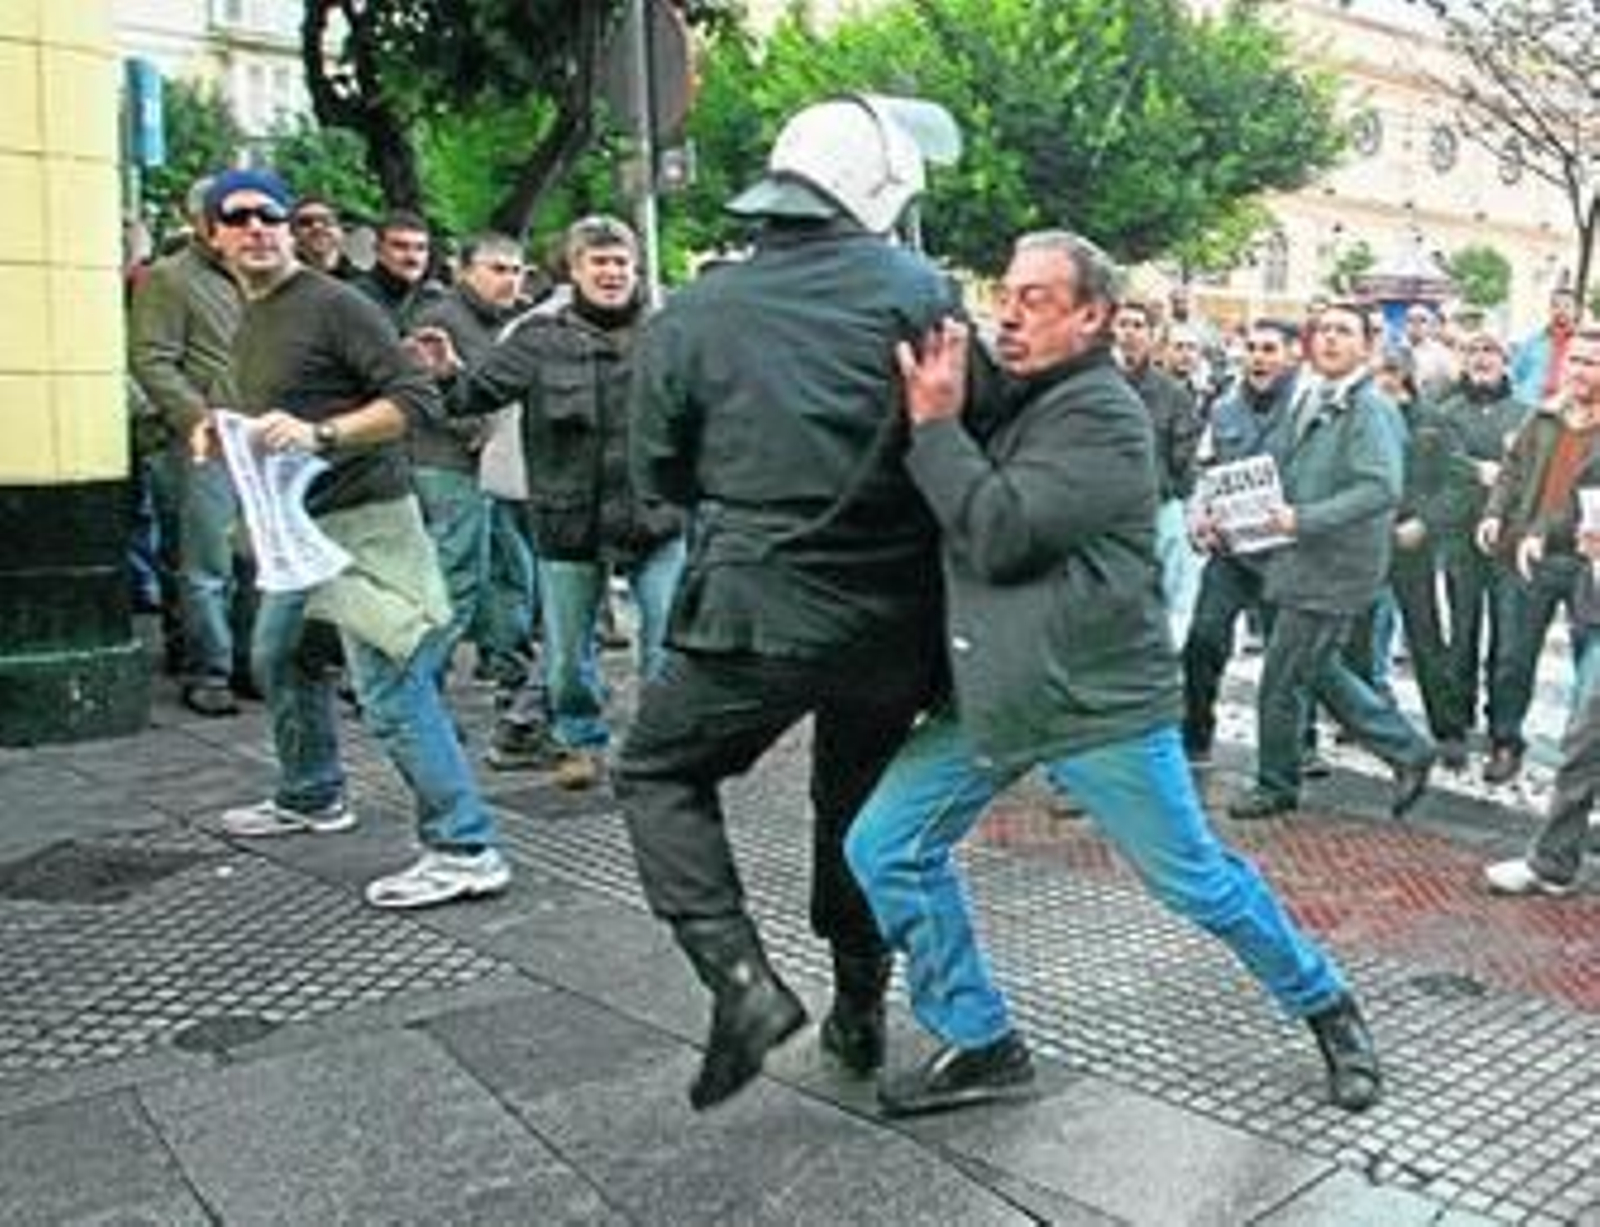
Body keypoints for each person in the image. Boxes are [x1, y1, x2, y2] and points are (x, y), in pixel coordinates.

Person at [845, 230, 1382, 1118]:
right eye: (1005, 295)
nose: (1009, 315)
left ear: (1092, 316)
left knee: (1195, 879)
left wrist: (935, 425)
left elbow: (1002, 534)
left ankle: (1326, 1003)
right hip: (999, 689)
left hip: (1095, 701)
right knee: (885, 846)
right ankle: (980, 1037)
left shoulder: (1101, 414)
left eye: (1036, 300)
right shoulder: (1021, 395)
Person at [616, 94, 961, 1111]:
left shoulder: (695, 309)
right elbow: (960, 432)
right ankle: (859, 1009)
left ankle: (740, 980)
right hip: (892, 618)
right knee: (852, 807)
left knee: (658, 769)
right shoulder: (921, 290)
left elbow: (657, 472)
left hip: (750, 607)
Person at [202, 167, 510, 911]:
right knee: (280, 656)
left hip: (368, 525)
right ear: (212, 238)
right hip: (300, 531)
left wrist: (324, 434)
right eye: (237, 219)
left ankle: (466, 847)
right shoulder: (253, 313)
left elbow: (416, 398)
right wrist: (224, 430)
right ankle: (312, 793)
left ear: (290, 228)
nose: (256, 229)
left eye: (269, 215)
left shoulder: (335, 304)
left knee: (393, 688)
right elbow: (284, 404)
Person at [418, 216, 683, 791]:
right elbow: (473, 395)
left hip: (658, 516)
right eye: (599, 262)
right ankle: (579, 739)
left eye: (621, 262)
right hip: (568, 521)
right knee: (565, 657)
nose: (611, 273)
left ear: (636, 268)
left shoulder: (670, 332)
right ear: (575, 270)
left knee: (666, 645)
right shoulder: (538, 337)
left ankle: (659, 750)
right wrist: (444, 375)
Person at [1228, 301, 1436, 819]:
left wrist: (1303, 519)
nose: (1329, 339)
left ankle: (1275, 785)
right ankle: (1407, 750)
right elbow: (1287, 472)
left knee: (1282, 677)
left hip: (1336, 564)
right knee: (1317, 668)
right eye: (1322, 330)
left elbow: (1380, 488)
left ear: (1367, 345)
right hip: (1303, 558)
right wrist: (1233, 514)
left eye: (1343, 331)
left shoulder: (1371, 407)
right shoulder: (1312, 395)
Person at [128, 175, 251, 717]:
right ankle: (209, 670)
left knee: (259, 561)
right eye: (233, 215)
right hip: (207, 439)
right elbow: (151, 358)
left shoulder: (269, 272)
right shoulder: (169, 278)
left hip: (266, 436)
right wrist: (198, 417)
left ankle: (250, 664)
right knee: (206, 563)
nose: (249, 226)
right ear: (201, 221)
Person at [1485, 328, 1600, 895]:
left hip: (1580, 570)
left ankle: (1557, 858)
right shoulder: (1545, 417)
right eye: (1576, 359)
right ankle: (1554, 858)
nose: (1582, 370)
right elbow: (1516, 472)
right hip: (1547, 561)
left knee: (1587, 721)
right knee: (1519, 662)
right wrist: (1501, 515)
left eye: (1593, 363)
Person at [405, 232, 526, 685]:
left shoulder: (510, 320)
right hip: (447, 461)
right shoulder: (438, 318)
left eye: (516, 270)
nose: (509, 280)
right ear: (465, 271)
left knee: (506, 569)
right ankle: (420, 679)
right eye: (497, 269)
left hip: (495, 465)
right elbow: (414, 388)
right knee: (456, 574)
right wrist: (474, 428)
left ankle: (505, 661)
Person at [1182, 318, 1302, 765]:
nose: (1258, 358)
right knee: (1203, 639)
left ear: (1291, 354)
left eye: (1269, 349)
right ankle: (1195, 735)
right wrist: (1200, 516)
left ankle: (1300, 745)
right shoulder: (1223, 409)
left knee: (1287, 659)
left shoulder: (1310, 407)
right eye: (1252, 348)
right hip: (1232, 553)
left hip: (1286, 555)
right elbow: (1205, 469)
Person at [1114, 299, 1203, 644]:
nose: (1129, 333)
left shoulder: (1173, 395)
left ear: (1153, 336)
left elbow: (1185, 460)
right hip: (1103, 514)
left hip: (1159, 511)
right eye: (1123, 324)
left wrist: (1168, 494)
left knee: (1174, 600)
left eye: (1138, 325)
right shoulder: (1089, 387)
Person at [1510, 287, 1578, 407]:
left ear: (1575, 311)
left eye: (1567, 306)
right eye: (1555, 306)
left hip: (1565, 407)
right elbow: (1515, 374)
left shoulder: (1582, 344)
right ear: (1549, 310)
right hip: (1530, 404)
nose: (1561, 310)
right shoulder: (1533, 341)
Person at [288, 195, 357, 280]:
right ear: (293, 234)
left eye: (325, 220)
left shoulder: (366, 281)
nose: (317, 226)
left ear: (341, 231)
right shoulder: (285, 280)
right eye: (306, 222)